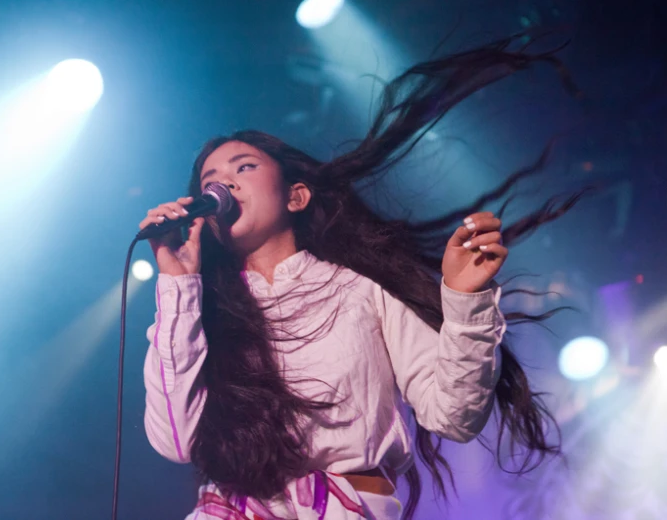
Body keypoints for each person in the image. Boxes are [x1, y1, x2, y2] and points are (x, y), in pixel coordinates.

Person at [140, 37, 582, 520]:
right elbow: (176, 441)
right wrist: (178, 287)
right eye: (210, 181)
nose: (223, 183)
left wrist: (463, 298)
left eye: (244, 167)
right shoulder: (200, 316)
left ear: (296, 196)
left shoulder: (361, 289)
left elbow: (453, 415)